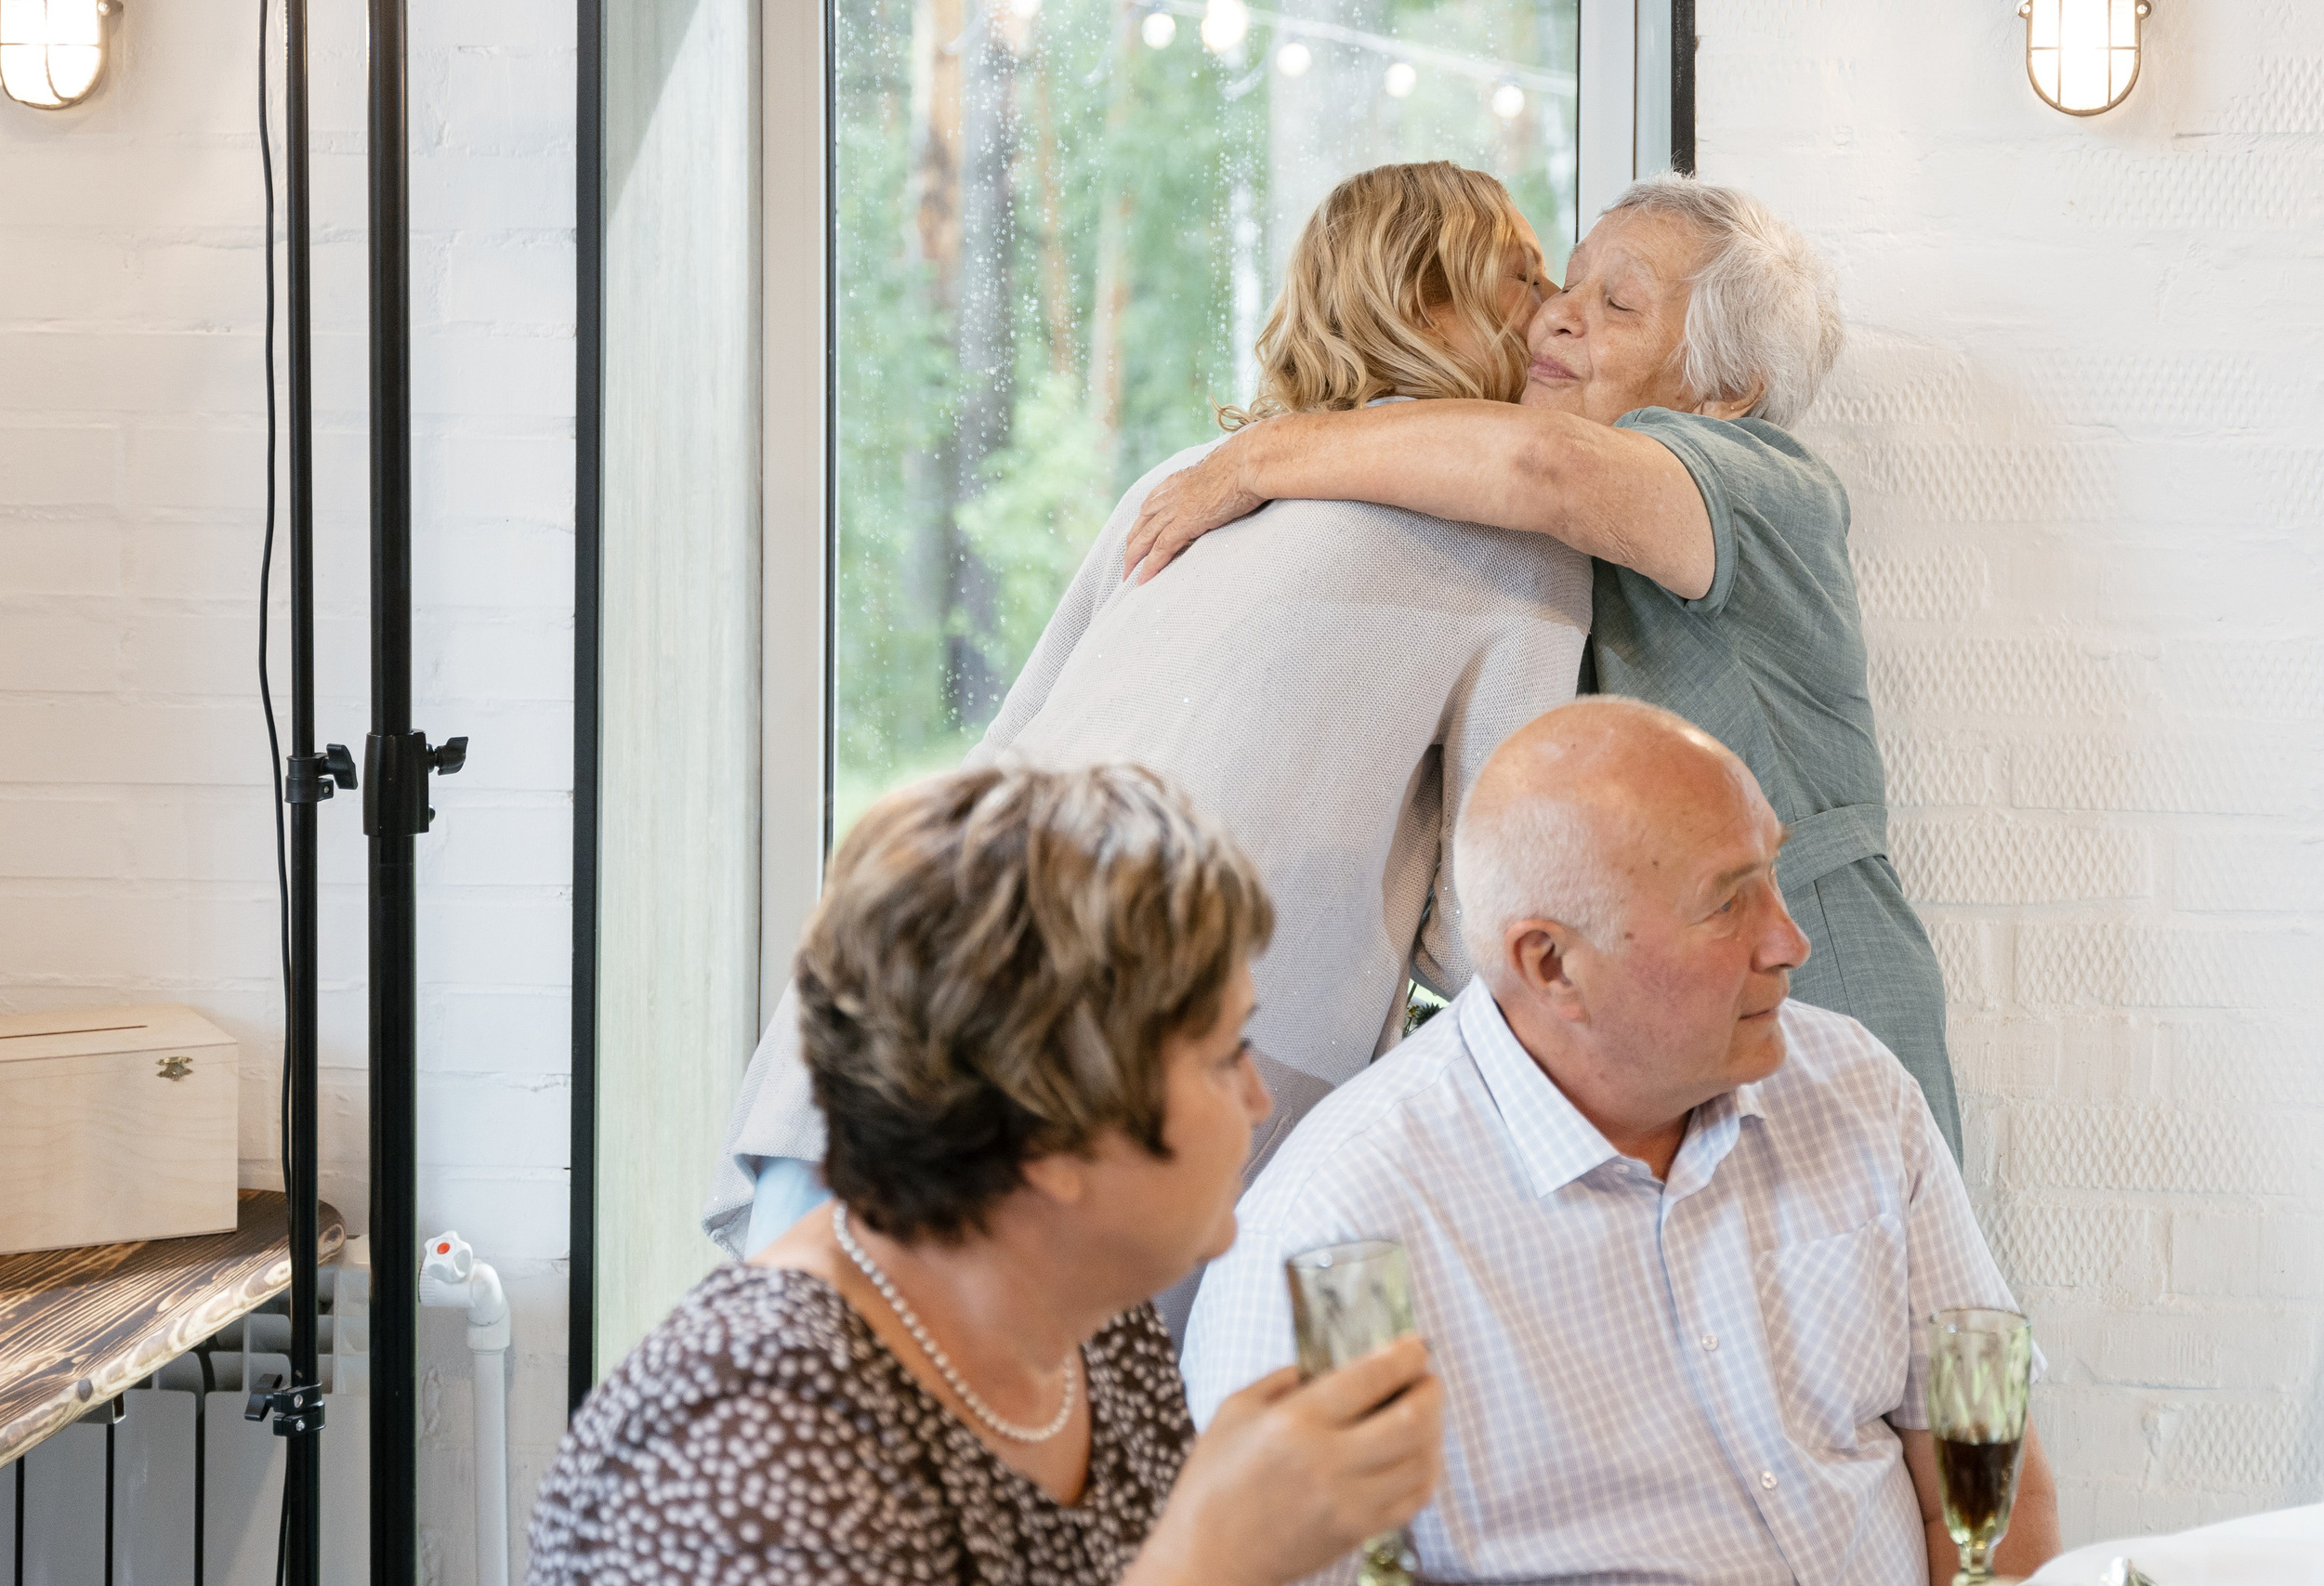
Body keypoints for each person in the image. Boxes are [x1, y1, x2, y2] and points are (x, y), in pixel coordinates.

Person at [704, 163, 1595, 1275]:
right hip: (1189, 1037)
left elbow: (1011, 736)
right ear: (1425, 303)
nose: (1553, 309)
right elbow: (1483, 916)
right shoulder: (1517, 536)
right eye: (1520, 279)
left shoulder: (1188, 480)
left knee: (805, 1378)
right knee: (1087, 1408)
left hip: (925, 969)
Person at [1128, 173, 1963, 1160]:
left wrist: (1253, 460)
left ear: (1723, 388)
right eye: (1564, 286)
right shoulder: (1543, 555)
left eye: (1616, 303)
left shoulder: (1759, 484)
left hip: (1805, 986)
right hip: (1651, 1020)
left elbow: (1540, 468)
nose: (1557, 318)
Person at [1180, 698, 2058, 1585]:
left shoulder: (1855, 1088)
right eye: (1726, 903)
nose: (1788, 941)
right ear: (1552, 964)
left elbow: (1992, 1476)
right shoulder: (1335, 1229)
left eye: (1772, 876)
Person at [528, 765, 1444, 1586]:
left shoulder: (1086, 1325)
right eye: (1220, 1056)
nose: (1255, 1097)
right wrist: (1210, 1563)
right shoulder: (754, 1436)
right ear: (1050, 1131)